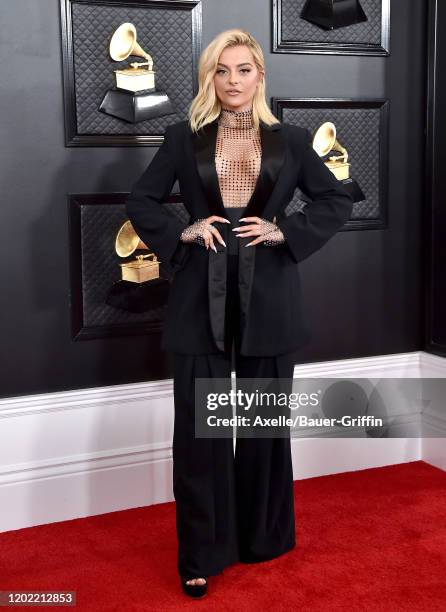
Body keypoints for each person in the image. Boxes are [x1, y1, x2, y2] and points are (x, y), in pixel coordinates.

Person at [125, 28, 353, 599]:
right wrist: (183, 231)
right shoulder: (183, 138)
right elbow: (140, 200)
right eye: (222, 70)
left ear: (260, 75)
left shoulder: (294, 140)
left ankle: (262, 538)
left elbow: (337, 197)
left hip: (271, 295)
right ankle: (201, 553)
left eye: (244, 69)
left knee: (261, 428)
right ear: (209, 77)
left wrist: (286, 231)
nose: (233, 81)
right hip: (200, 294)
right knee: (201, 433)